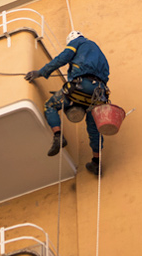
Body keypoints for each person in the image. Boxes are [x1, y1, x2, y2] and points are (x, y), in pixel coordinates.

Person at [24, 30, 110, 176]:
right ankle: (97, 162)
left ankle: (58, 136)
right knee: (94, 128)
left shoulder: (77, 43)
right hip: (99, 93)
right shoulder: (100, 55)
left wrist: (42, 72)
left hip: (81, 86)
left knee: (50, 105)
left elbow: (63, 58)